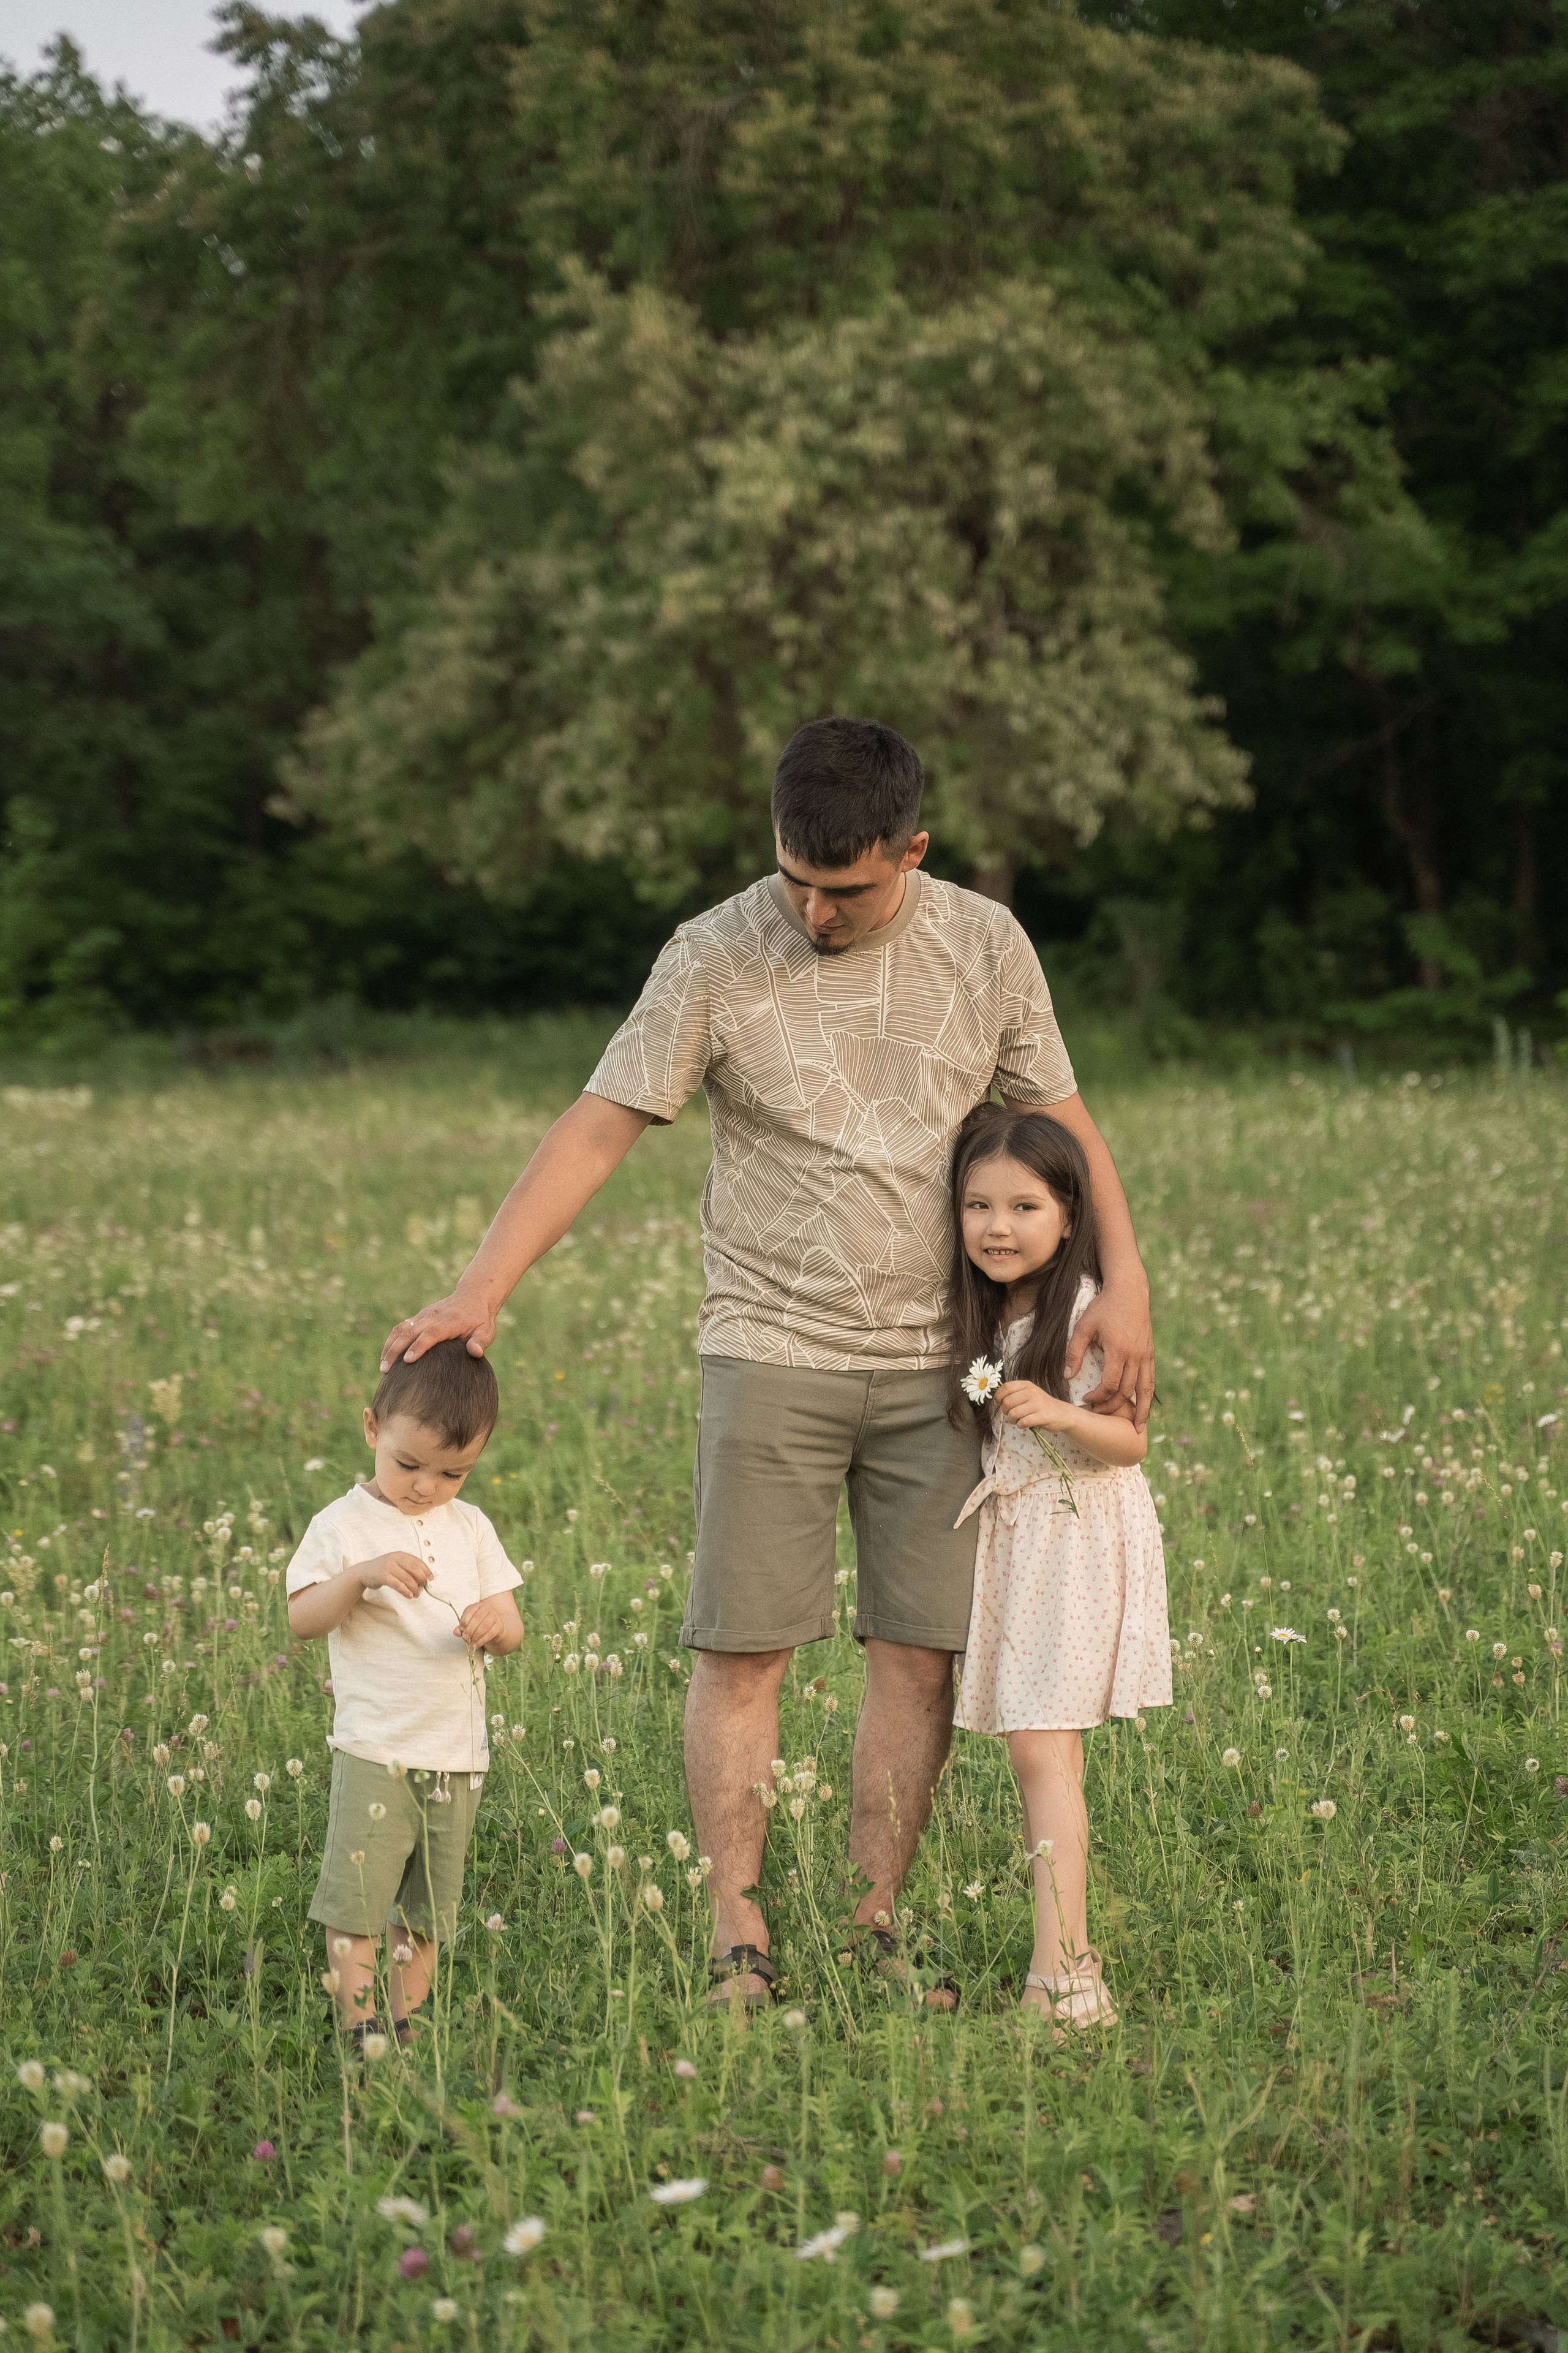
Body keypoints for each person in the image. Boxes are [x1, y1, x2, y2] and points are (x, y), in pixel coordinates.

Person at [379, 716, 1155, 2011]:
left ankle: (870, 1927)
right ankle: (736, 1937)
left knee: (917, 1653)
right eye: (794, 875)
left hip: (944, 1365)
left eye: (845, 887)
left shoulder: (983, 944)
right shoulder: (711, 953)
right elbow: (599, 1122)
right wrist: (480, 1286)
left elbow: (1066, 1123)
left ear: (910, 849)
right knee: (742, 1649)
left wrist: (1123, 1285)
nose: (813, 907)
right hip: (768, 1348)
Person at [948, 1105, 1170, 2031]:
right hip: (1022, 1544)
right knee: (1040, 1751)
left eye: (1025, 1207)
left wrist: (1061, 1413)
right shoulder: (984, 1313)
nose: (999, 1227)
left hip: (1076, 1540)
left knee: (1044, 1749)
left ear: (1072, 1216)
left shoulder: (1083, 1312)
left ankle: (1068, 1978)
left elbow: (1129, 1440)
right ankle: (1065, 1964)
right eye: (978, 1206)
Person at [285, 1340, 524, 2048]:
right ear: (372, 1430)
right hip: (377, 1749)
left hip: (457, 1754)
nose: (426, 1487)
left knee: (427, 1910)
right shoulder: (341, 1527)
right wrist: (359, 1575)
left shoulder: (471, 1526)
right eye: (409, 1464)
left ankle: (407, 2023)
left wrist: (495, 1625)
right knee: (357, 1903)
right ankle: (361, 2029)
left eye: (454, 1472)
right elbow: (302, 1618)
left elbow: (512, 1626)